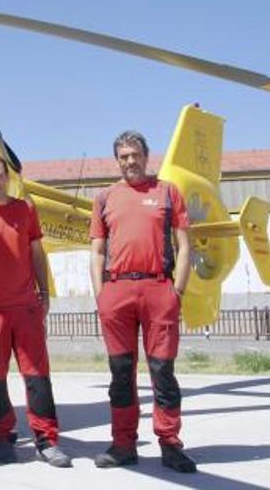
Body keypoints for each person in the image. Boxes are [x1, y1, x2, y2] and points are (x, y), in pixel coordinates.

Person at [89, 131, 196, 473]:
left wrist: (176, 291)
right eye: (123, 156)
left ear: (146, 156)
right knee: (121, 374)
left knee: (163, 373)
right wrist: (101, 294)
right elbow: (97, 251)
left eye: (135, 154)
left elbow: (184, 245)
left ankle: (170, 443)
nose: (130, 161)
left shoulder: (167, 192)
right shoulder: (105, 197)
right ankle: (123, 444)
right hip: (117, 292)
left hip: (158, 290)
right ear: (117, 160)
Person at [0, 156, 71, 468]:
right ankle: (3, 439)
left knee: (37, 377)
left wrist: (45, 291)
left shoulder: (26, 210)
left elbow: (37, 252)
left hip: (25, 310)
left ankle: (47, 440)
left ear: (8, 177)